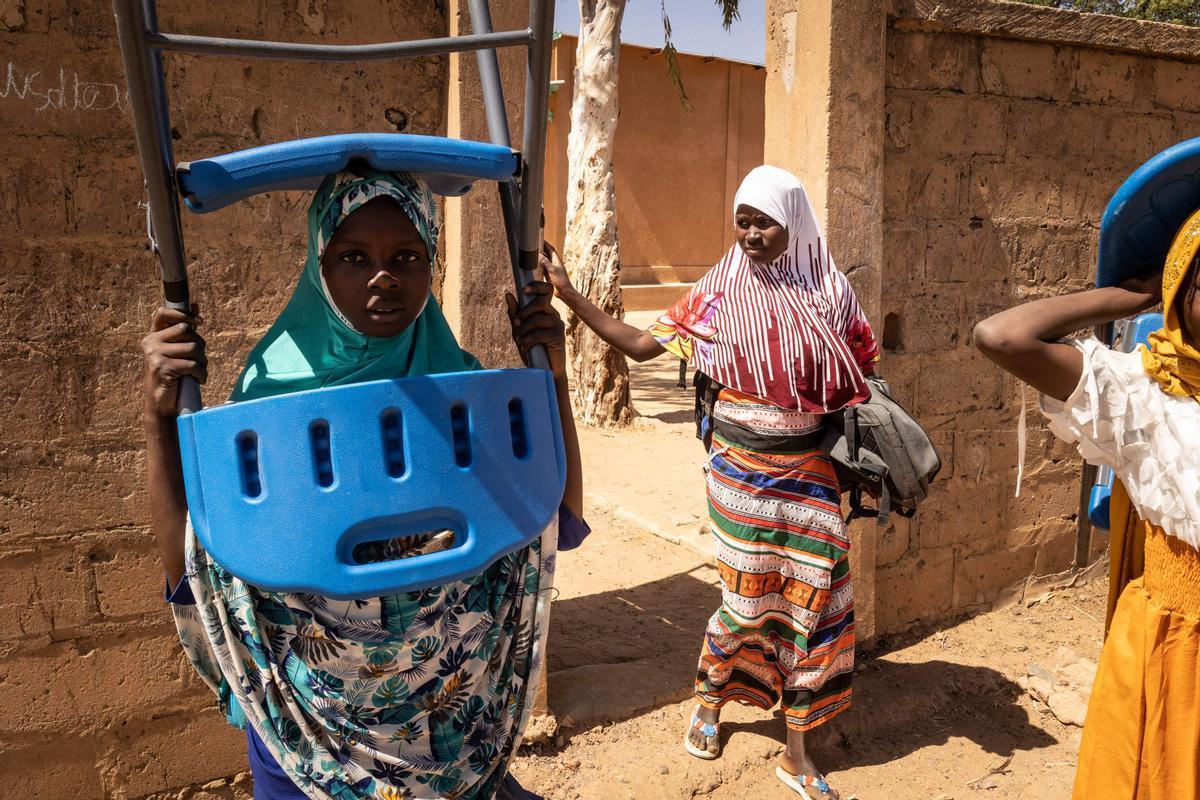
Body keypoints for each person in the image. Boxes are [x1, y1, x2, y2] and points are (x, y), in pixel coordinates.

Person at [140, 167, 587, 800]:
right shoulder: (266, 406)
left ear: (430, 267)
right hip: (311, 730)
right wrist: (158, 417)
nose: (384, 276)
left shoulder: (463, 397)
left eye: (407, 256)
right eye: (354, 257)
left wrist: (552, 381)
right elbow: (194, 561)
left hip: (451, 718)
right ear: (318, 270)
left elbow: (554, 513)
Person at [543, 166, 880, 800]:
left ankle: (797, 749)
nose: (751, 235)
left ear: (794, 223)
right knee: (748, 599)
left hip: (809, 473)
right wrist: (569, 294)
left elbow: (860, 368)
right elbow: (643, 345)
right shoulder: (721, 289)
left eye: (765, 223)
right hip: (738, 476)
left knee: (819, 604)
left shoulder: (831, 292)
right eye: (742, 223)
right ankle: (711, 698)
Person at [974, 210, 1200, 800]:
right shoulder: (1144, 397)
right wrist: (1129, 295)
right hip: (1173, 653)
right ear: (1180, 293)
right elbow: (1002, 338)